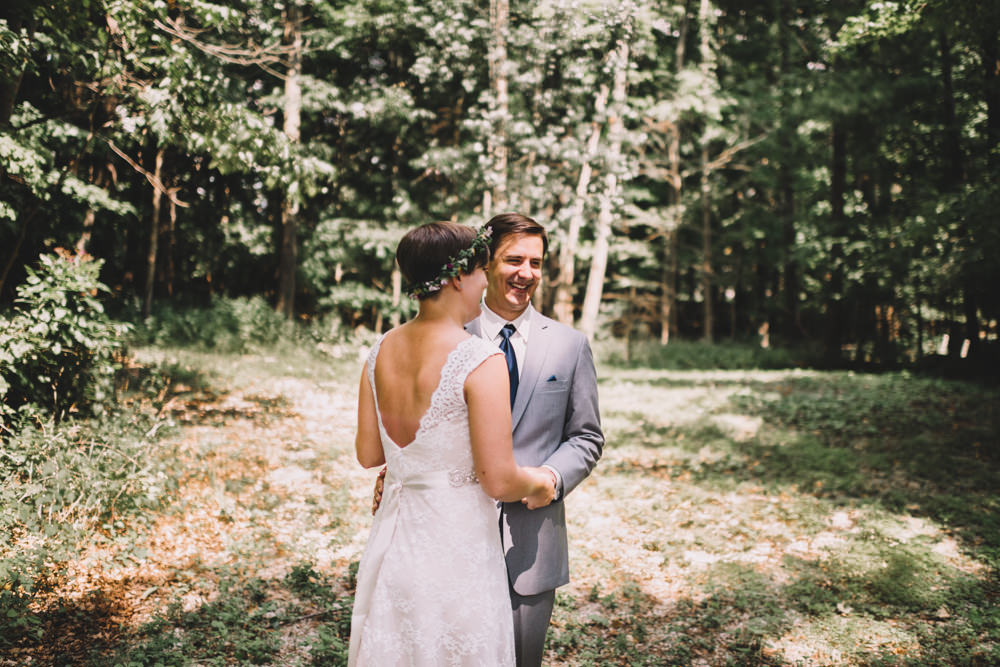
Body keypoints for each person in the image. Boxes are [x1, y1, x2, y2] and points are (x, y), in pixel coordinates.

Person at [373, 213, 605, 666]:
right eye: (513, 259)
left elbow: (587, 435)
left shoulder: (569, 346)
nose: (526, 274)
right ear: (482, 264)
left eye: (536, 263)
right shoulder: (440, 338)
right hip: (446, 537)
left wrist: (550, 479)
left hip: (531, 547)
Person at [348, 221, 553, 666]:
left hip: (396, 541)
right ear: (459, 276)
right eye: (482, 271)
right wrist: (540, 483)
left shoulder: (379, 350)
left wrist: (412, 465)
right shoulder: (480, 358)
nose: (484, 283)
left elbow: (369, 454)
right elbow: (498, 480)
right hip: (458, 547)